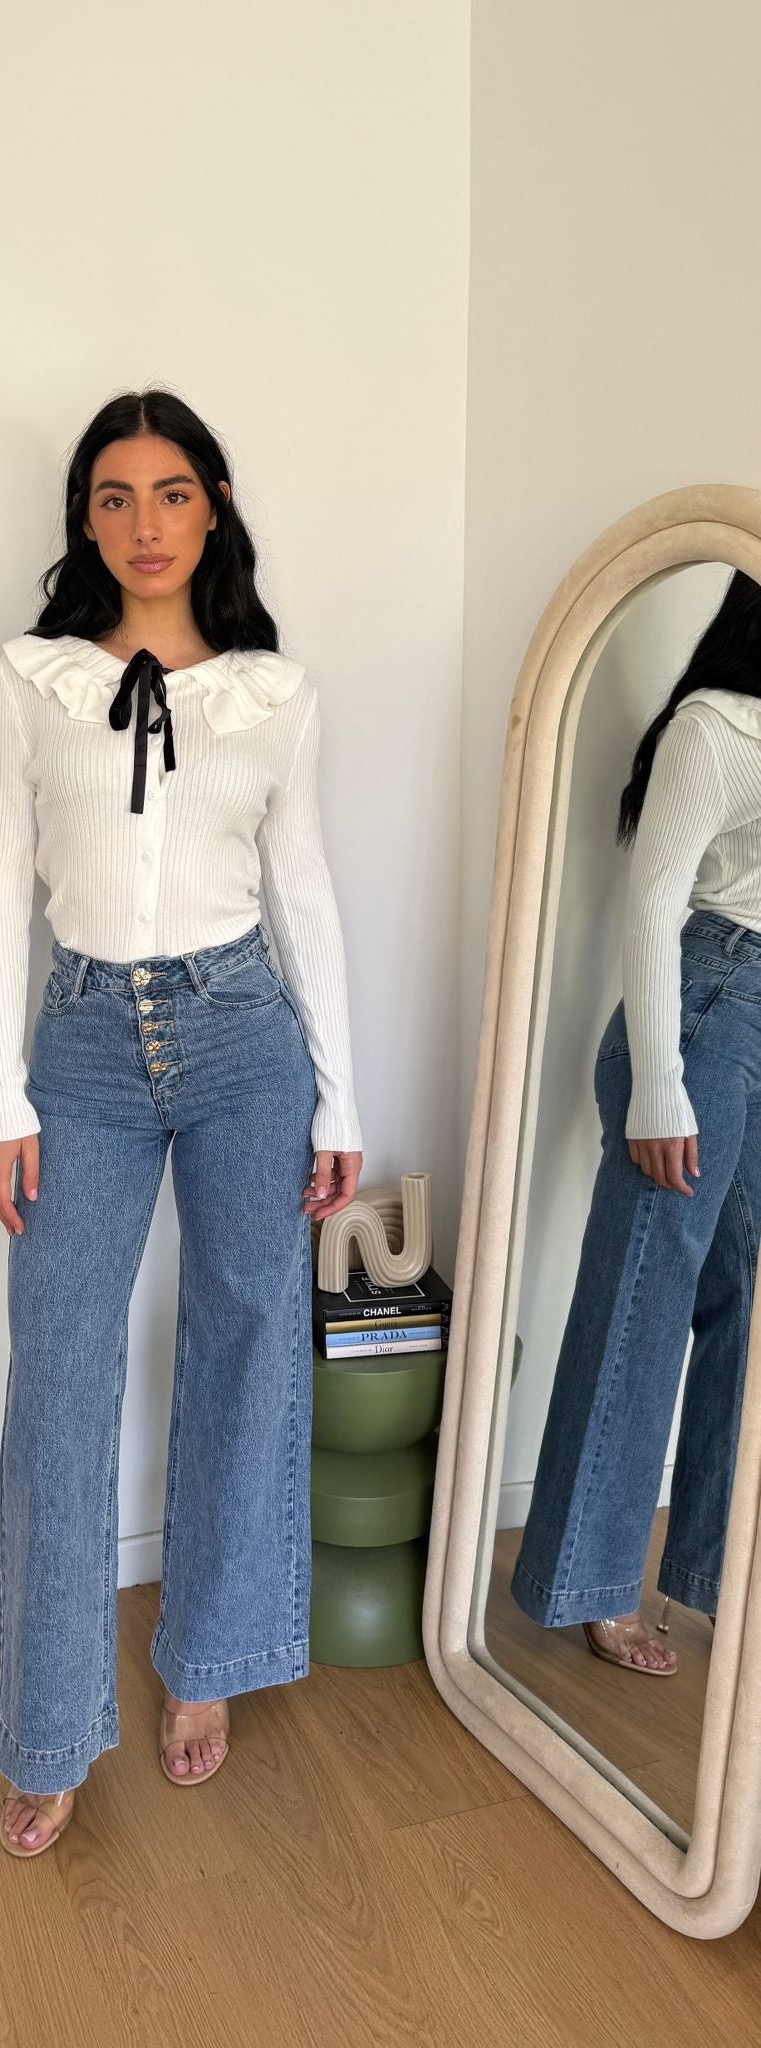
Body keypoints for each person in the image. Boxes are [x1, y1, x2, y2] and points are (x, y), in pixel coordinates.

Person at [0, 388, 363, 1854]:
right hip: (80, 1043)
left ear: (215, 507)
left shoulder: (274, 694)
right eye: (117, 496)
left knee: (248, 1343)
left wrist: (343, 1090)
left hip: (246, 1035)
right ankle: (51, 1726)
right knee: (60, 1378)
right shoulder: (33, 680)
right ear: (85, 516)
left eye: (173, 493)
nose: (146, 524)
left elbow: (303, 889)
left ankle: (211, 1657)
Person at [511, 569, 761, 1674]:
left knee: (745, 1304)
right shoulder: (719, 725)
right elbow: (655, 902)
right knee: (641, 1305)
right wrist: (660, 1084)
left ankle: (712, 1573)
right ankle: (592, 1582)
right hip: (703, 1010)